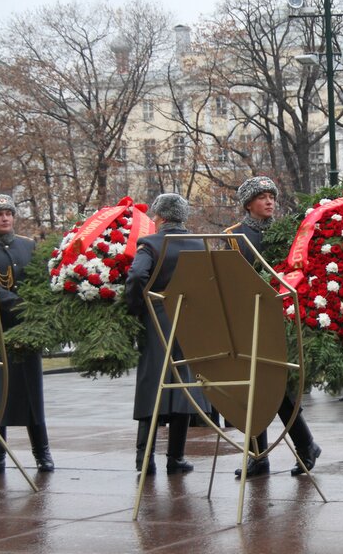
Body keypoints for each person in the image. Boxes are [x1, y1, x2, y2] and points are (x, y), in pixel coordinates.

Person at [225, 176, 322, 478]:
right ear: (248, 203)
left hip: (282, 318)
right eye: (263, 197)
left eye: (272, 197)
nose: (270, 202)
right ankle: (263, 455)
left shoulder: (286, 234)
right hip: (249, 317)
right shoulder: (234, 236)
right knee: (253, 390)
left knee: (279, 387)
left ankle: (300, 446)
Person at [0, 194, 54, 476]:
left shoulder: (28, 246)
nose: (5, 218)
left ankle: (42, 454)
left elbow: (40, 279)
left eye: (9, 213)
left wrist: (39, 305)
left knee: (32, 394)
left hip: (27, 329)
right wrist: (22, 303)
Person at [126, 193, 210, 475]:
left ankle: (144, 459)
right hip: (191, 321)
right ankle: (175, 458)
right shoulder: (200, 244)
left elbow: (138, 276)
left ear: (159, 217)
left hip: (158, 319)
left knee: (153, 387)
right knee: (183, 389)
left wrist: (138, 306)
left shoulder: (150, 243)